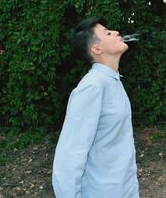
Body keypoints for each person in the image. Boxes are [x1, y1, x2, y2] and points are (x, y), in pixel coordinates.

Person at [52, 16, 139, 198]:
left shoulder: (113, 81)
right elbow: (69, 158)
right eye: (107, 32)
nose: (116, 32)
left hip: (124, 188)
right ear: (96, 49)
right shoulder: (92, 87)